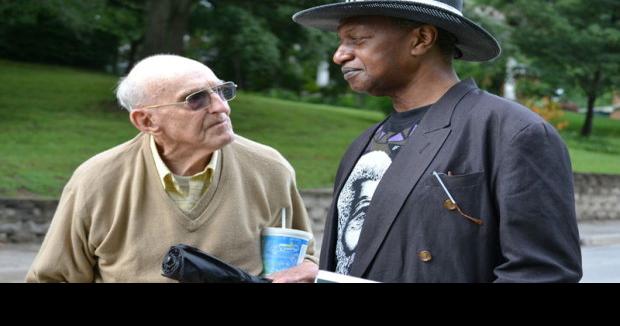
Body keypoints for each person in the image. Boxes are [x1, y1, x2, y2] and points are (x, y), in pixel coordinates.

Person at [293, 0, 582, 282]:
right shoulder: (363, 144)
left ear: (421, 39)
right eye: (341, 41)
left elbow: (542, 273)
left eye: (357, 39)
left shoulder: (513, 133)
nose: (339, 55)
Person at [26, 54, 318, 282]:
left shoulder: (270, 169)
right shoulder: (96, 181)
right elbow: (54, 277)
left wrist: (306, 270)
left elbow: (306, 261)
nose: (221, 107)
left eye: (222, 91)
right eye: (197, 99)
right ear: (147, 121)